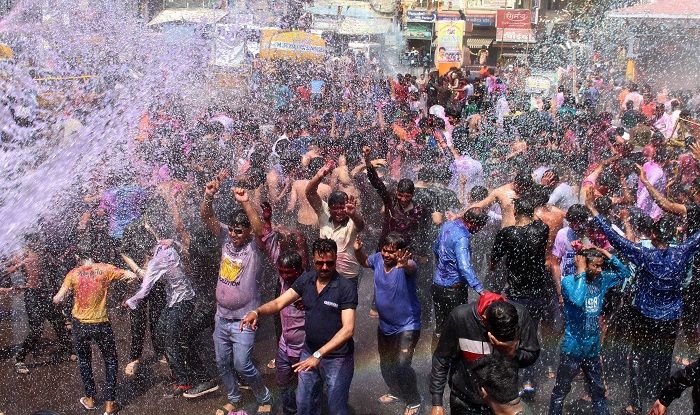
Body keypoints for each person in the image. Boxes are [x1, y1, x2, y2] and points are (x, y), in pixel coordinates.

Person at [586, 189, 700, 413]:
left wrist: (592, 210)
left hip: (645, 315)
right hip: (670, 316)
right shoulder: (682, 252)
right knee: (663, 358)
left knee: (637, 356)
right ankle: (661, 399)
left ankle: (635, 404)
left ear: (655, 236)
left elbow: (616, 239)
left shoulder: (645, 255)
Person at [240, 239, 357, 415]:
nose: (324, 267)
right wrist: (257, 312)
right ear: (313, 259)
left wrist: (319, 355)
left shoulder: (345, 287)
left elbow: (348, 329)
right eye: (320, 263)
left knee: (336, 408)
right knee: (304, 405)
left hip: (337, 358)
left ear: (336, 259)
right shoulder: (307, 280)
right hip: (309, 352)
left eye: (329, 263)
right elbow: (279, 303)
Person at [123, 214, 218, 398]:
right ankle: (181, 372)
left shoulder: (157, 261)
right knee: (160, 333)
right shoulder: (162, 246)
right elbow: (161, 239)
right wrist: (148, 226)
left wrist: (129, 301)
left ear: (147, 251)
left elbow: (144, 290)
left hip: (183, 302)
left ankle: (186, 381)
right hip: (176, 300)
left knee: (172, 341)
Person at [200, 182, 272, 414]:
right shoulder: (225, 240)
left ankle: (263, 396)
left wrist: (245, 202)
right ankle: (234, 396)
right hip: (222, 317)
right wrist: (208, 196)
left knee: (242, 363)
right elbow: (207, 216)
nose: (233, 234)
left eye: (239, 230)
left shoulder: (254, 247)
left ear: (247, 231)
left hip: (244, 319)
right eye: (231, 229)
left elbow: (261, 229)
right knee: (222, 363)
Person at [52, 242, 140, 415]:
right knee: (110, 361)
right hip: (101, 323)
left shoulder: (73, 274)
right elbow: (132, 276)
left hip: (79, 324)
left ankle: (90, 399)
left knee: (84, 360)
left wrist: (62, 298)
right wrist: (122, 294)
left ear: (78, 257)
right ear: (93, 254)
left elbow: (58, 298)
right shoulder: (105, 269)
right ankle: (110, 404)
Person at [548, 246, 631, 415]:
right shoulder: (568, 282)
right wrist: (580, 272)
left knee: (598, 392)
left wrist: (602, 250)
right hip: (572, 348)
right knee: (560, 392)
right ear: (584, 266)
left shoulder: (601, 279)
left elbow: (625, 273)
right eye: (596, 266)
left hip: (592, 349)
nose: (600, 270)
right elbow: (578, 300)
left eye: (601, 265)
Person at [430, 293, 540, 415]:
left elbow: (532, 353)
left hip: (502, 404)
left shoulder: (520, 315)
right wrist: (437, 402)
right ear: (485, 320)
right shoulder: (460, 317)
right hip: (464, 401)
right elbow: (441, 359)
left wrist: (514, 354)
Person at [490, 197, 553, 395]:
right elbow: (538, 222)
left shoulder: (507, 234)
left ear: (515, 213)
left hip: (516, 295)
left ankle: (511, 381)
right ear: (532, 213)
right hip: (538, 294)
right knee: (531, 335)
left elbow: (493, 263)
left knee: (511, 336)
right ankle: (529, 381)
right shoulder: (541, 230)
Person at [354, 233, 422, 415]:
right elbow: (364, 262)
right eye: (385, 250)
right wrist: (358, 251)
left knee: (401, 364)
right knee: (386, 364)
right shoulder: (377, 259)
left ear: (401, 252)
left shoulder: (407, 266)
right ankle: (397, 391)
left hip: (408, 325)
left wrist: (404, 263)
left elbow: (410, 267)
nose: (386, 254)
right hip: (385, 325)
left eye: (391, 252)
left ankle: (414, 399)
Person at [9, 234, 73, 374]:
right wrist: (18, 271)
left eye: (40, 242)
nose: (39, 244)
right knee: (36, 330)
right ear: (30, 244)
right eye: (37, 242)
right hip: (32, 295)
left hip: (46, 293)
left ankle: (68, 350)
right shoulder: (23, 255)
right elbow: (8, 269)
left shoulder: (44, 254)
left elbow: (56, 266)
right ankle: (19, 359)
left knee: (58, 322)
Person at [432, 207, 488, 344]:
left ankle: (436, 360)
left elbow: (436, 247)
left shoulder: (448, 225)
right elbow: (464, 267)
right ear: (472, 223)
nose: (479, 230)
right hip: (453, 291)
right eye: (480, 227)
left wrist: (444, 267)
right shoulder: (463, 237)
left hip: (437, 286)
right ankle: (452, 362)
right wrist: (480, 289)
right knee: (456, 329)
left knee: (440, 327)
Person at [306, 160, 365, 288]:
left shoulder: (352, 219)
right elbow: (310, 193)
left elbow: (361, 226)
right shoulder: (324, 214)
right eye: (335, 208)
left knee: (346, 307)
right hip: (325, 273)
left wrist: (353, 214)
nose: (339, 212)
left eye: (342, 207)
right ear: (329, 209)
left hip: (348, 276)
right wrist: (319, 176)